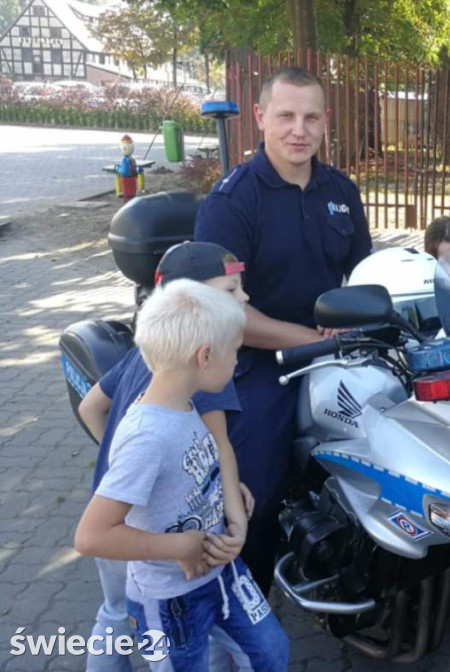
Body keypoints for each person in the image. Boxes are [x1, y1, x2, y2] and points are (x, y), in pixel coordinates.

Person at [194, 66, 373, 592]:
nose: (299, 129)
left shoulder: (341, 190)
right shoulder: (232, 201)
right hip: (255, 364)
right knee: (257, 487)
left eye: (310, 117)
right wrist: (309, 340)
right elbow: (223, 312)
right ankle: (246, 599)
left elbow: (363, 276)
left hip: (335, 353)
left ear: (325, 122)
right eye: (286, 116)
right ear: (260, 118)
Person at [75, 280, 290, 671]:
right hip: (169, 597)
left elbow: (203, 462)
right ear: (205, 355)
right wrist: (179, 548)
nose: (237, 363)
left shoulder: (184, 401)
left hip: (222, 572)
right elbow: (91, 536)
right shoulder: (146, 437)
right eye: (234, 353)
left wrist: (231, 512)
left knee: (271, 652)